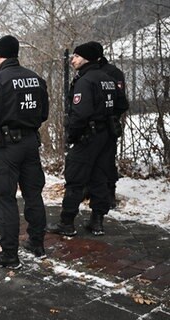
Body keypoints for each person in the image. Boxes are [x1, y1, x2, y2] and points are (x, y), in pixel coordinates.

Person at [0, 35, 49, 269]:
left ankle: (9, 253)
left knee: (5, 197)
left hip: (7, 146)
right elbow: (44, 114)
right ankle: (37, 243)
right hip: (30, 143)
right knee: (33, 194)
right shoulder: (36, 79)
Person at [47, 42, 119, 237]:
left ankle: (67, 223)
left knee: (75, 178)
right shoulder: (108, 79)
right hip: (106, 136)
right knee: (99, 178)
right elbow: (121, 105)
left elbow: (80, 113)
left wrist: (73, 134)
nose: (73, 59)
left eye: (77, 56)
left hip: (88, 136)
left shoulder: (85, 81)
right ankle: (97, 222)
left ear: (86, 58)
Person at [90, 41, 129, 209]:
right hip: (90, 125)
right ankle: (93, 192)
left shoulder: (113, 73)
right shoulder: (89, 72)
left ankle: (109, 193)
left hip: (108, 125)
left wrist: (111, 118)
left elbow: (121, 102)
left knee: (107, 160)